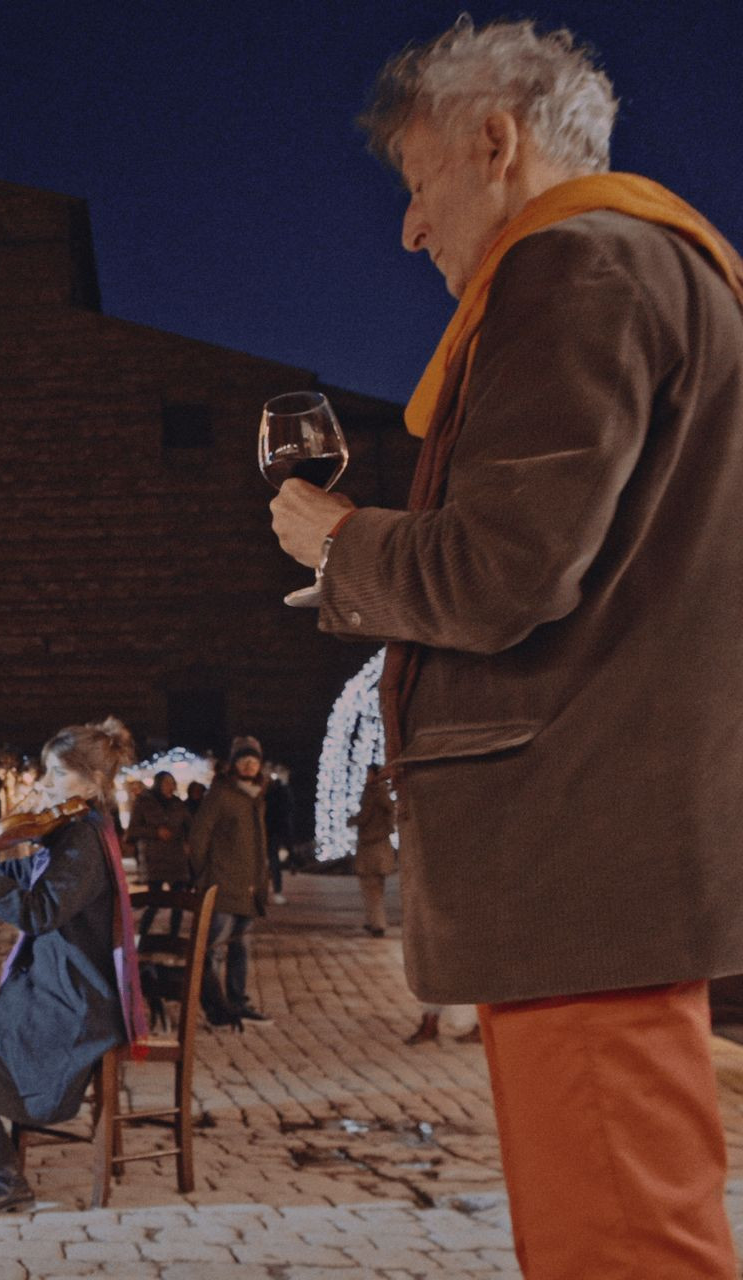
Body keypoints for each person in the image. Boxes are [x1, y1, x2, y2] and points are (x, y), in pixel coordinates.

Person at [268, 17, 743, 1276]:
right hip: (624, 854)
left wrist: (342, 542)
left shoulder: (573, 265)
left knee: (619, 1245)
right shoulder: (671, 270)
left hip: (580, 861)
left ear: (498, 139)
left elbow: (502, 573)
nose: (413, 229)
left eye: (422, 185)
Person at [0, 720, 146, 1215]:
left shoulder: (84, 842)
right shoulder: (72, 833)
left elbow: (38, 913)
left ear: (93, 783)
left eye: (58, 774)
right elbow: (25, 875)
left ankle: (3, 1174)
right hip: (53, 985)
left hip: (74, 1002)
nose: (44, 784)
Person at [186, 737, 272, 1026]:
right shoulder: (221, 794)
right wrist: (204, 876)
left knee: (240, 947)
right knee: (212, 949)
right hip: (221, 884)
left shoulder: (256, 795)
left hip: (248, 887)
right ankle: (214, 1005)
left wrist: (261, 880)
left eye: (254, 760)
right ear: (233, 763)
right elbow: (199, 836)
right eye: (243, 759)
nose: (249, 764)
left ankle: (237, 1001)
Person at [127, 770, 191, 935]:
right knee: (154, 901)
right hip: (155, 859)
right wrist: (155, 832)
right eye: (166, 782)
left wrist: (188, 842)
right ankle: (143, 937)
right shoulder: (144, 803)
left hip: (176, 859)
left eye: (172, 782)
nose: (170, 786)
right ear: (158, 784)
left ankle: (174, 936)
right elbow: (134, 829)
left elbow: (189, 827)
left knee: (178, 902)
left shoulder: (178, 804)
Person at [348, 763, 396, 937]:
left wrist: (352, 820)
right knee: (376, 887)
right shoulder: (383, 792)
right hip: (380, 846)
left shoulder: (373, 792)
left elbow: (365, 816)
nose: (367, 776)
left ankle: (377, 923)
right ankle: (374, 921)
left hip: (371, 846)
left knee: (371, 886)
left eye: (369, 773)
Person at [263, 766, 295, 905]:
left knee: (273, 862)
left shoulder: (279, 792)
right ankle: (262, 892)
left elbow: (285, 811)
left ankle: (276, 891)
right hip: (264, 831)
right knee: (262, 863)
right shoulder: (260, 791)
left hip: (273, 831)